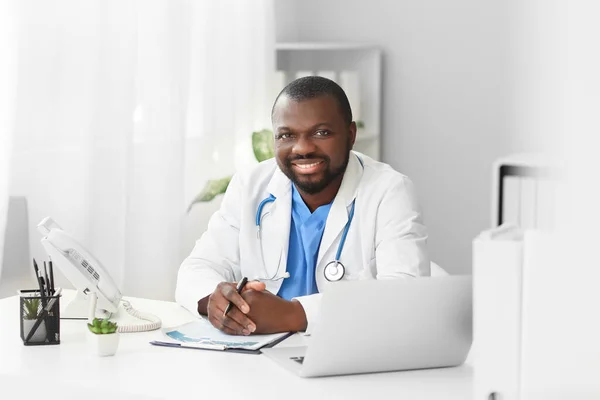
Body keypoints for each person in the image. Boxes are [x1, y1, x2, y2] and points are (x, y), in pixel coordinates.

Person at [175, 76, 430, 335]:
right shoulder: (251, 186)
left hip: (349, 349)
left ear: (350, 135)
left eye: (321, 133)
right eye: (287, 135)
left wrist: (295, 314)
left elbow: (403, 294)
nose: (303, 148)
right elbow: (197, 268)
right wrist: (216, 301)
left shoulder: (388, 190)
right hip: (260, 353)